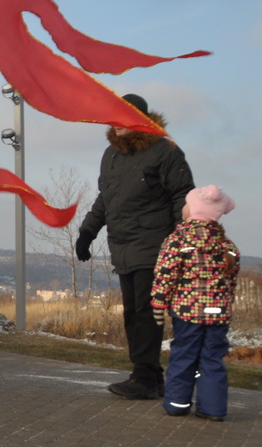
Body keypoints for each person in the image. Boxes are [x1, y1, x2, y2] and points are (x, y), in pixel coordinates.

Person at [76, 93, 194, 401]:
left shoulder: (165, 151)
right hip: (124, 246)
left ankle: (144, 376)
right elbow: (106, 198)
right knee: (133, 313)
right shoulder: (110, 155)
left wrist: (184, 239)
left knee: (145, 312)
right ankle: (151, 377)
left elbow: (182, 195)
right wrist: (87, 231)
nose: (118, 123)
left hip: (155, 245)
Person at [153, 186, 240, 421]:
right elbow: (231, 281)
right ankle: (213, 409)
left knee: (184, 355)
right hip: (218, 314)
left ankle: (177, 403)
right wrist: (226, 303)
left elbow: (165, 274)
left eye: (186, 203)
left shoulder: (178, 240)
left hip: (188, 312)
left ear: (194, 210)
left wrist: (159, 304)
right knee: (212, 358)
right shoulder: (227, 246)